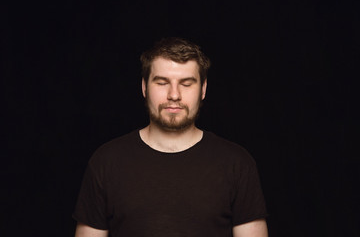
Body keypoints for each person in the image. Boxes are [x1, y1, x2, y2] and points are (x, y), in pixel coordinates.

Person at [73, 37, 268, 237]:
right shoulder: (106, 162)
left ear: (203, 89)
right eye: (162, 82)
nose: (174, 95)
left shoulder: (237, 163)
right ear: (144, 87)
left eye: (186, 84)